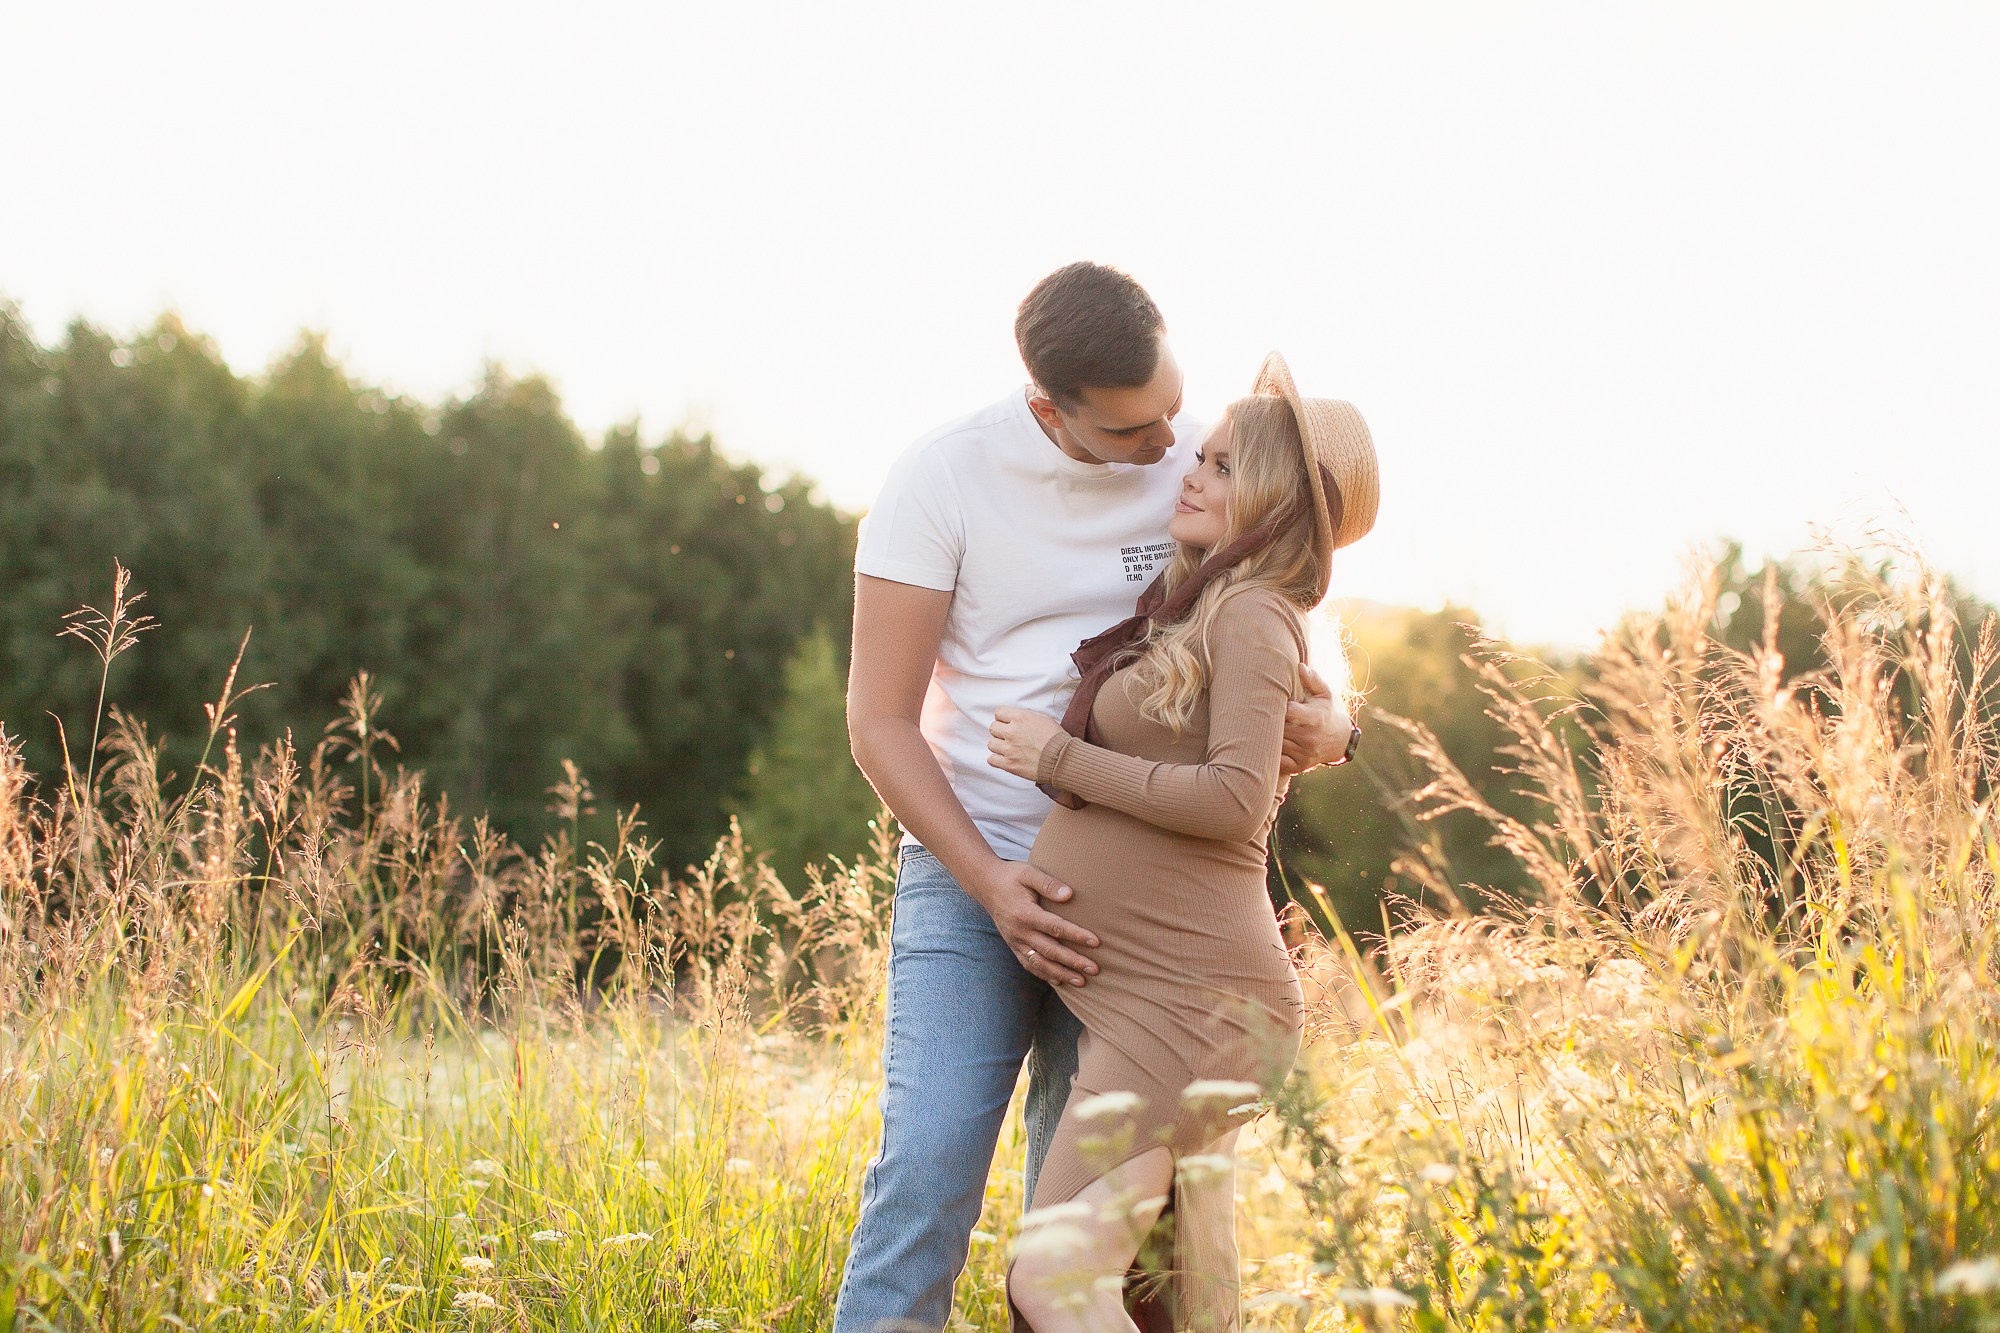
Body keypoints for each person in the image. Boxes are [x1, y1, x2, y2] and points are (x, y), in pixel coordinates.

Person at [837, 265, 1357, 1332]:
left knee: (1096, 1244)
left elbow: (1288, 609)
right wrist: (991, 887)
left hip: (1155, 914)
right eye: (1134, 432)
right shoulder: (943, 480)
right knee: (928, 1167)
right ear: (1049, 411)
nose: (1168, 446)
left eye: (1176, 409)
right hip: (974, 865)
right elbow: (877, 722)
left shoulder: (1202, 454)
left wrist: (1340, 723)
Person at [988, 354, 1378, 1332]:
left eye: (1218, 464)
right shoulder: (1209, 604)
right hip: (1162, 997)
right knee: (1142, 1286)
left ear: (1279, 499)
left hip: (1190, 1001)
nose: (1189, 475)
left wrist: (1058, 756)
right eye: (1194, 456)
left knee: (1056, 1280)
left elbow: (1233, 802)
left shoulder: (1249, 610)